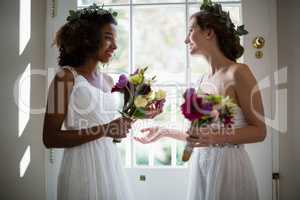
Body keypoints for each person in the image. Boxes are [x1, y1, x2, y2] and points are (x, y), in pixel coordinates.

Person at [135, 1, 266, 200]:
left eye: (190, 31)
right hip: (202, 166)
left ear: (208, 33)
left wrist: (216, 138)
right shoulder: (203, 80)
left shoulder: (239, 73)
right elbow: (198, 135)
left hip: (228, 169)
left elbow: (259, 131)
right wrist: (164, 132)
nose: (186, 40)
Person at [43, 4, 138, 200]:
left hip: (110, 165)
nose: (115, 46)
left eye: (115, 39)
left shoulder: (108, 81)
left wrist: (134, 115)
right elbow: (50, 138)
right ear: (87, 38)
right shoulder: (66, 77)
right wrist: (105, 129)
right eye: (108, 38)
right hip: (81, 168)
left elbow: (110, 128)